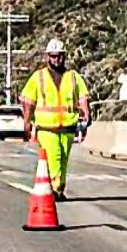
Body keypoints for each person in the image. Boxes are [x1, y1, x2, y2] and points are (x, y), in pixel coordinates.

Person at [19, 38, 91, 200]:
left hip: (68, 127)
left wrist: (87, 114)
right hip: (46, 128)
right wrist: (27, 122)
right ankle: (55, 189)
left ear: (64, 56)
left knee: (63, 160)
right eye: (53, 56)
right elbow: (28, 101)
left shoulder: (73, 77)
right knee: (54, 157)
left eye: (59, 56)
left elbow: (83, 97)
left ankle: (59, 188)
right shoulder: (39, 77)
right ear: (47, 57)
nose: (56, 59)